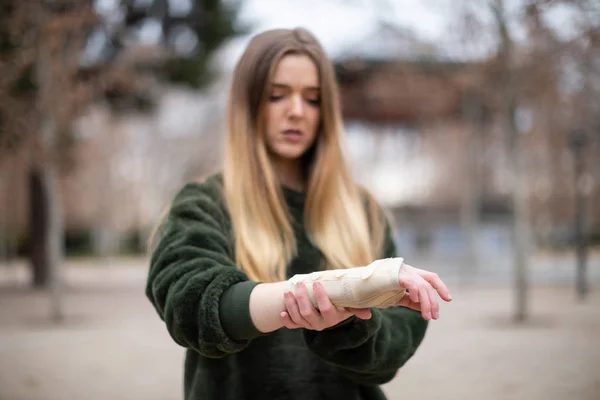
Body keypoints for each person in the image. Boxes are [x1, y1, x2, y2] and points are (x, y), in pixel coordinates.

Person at [145, 27, 452, 400]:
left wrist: (345, 319)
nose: (296, 111)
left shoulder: (364, 212)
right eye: (277, 95)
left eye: (313, 99)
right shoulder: (203, 204)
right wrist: (327, 291)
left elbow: (389, 354)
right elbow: (189, 305)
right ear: (248, 104)